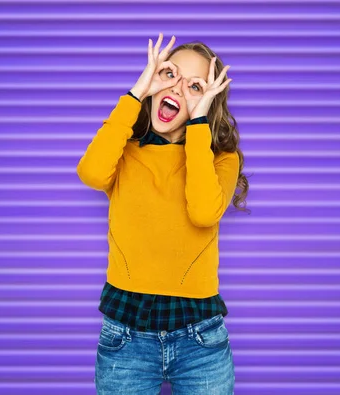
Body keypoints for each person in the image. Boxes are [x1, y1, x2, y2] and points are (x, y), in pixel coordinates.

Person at [76, 32, 249, 395]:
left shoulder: (220, 159)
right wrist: (138, 89)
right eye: (171, 75)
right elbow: (90, 172)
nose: (178, 89)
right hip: (126, 335)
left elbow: (203, 212)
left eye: (195, 86)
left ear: (209, 101)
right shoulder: (125, 152)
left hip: (200, 339)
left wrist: (198, 123)